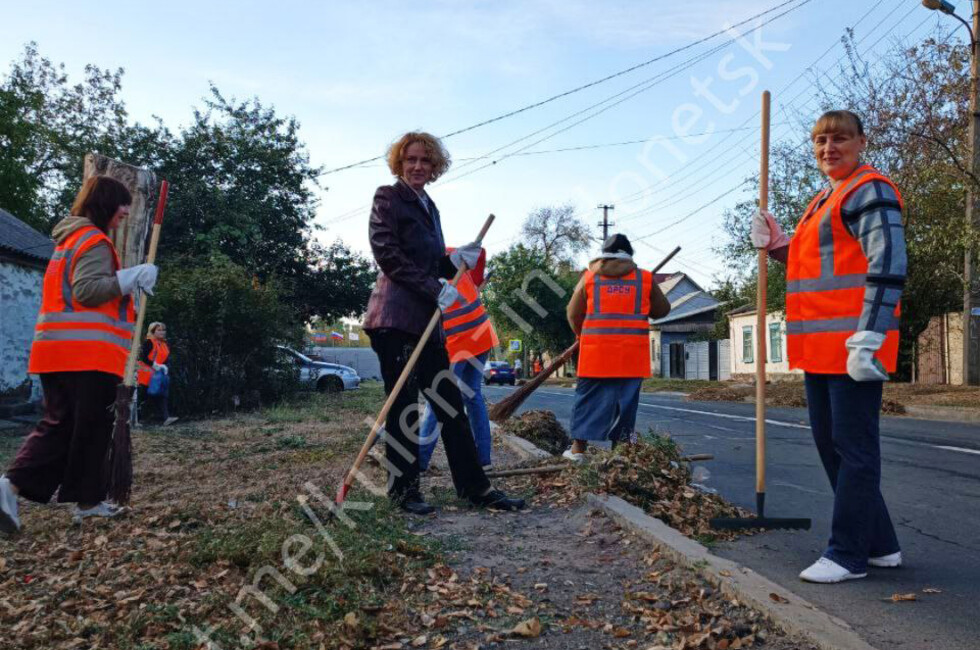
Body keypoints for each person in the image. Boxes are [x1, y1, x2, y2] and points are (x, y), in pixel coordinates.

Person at [751, 110, 904, 584]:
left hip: (855, 342)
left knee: (854, 449)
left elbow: (889, 262)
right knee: (831, 444)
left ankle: (847, 555)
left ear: (862, 141)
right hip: (821, 347)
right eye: (820, 141)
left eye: (839, 139)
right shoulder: (825, 199)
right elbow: (814, 264)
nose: (828, 148)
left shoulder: (869, 189)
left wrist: (871, 334)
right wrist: (778, 244)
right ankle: (879, 545)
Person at [362, 130, 524, 515]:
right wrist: (432, 288)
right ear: (399, 164)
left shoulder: (429, 207)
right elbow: (388, 254)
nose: (418, 166)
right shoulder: (388, 197)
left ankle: (474, 489)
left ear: (435, 167)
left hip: (428, 323)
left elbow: (431, 262)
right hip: (395, 319)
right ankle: (403, 493)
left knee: (450, 406)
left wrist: (454, 262)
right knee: (403, 406)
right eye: (410, 160)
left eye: (425, 161)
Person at [0, 176, 157, 534]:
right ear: (105, 203)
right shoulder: (94, 242)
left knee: (78, 429)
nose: (125, 214)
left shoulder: (69, 241)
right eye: (122, 206)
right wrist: (131, 278)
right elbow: (88, 291)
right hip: (84, 356)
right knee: (70, 429)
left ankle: (87, 500)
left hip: (58, 352)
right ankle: (9, 485)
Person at [564, 234, 671, 461]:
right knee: (626, 407)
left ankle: (577, 450)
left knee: (587, 402)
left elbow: (573, 313)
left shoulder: (589, 277)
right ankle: (622, 451)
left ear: (604, 254)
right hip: (631, 357)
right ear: (629, 255)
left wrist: (582, 335)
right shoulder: (644, 278)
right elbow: (662, 311)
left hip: (595, 356)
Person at [418, 248, 498, 471]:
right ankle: (483, 459)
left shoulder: (423, 266)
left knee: (439, 398)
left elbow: (479, 252)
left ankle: (421, 460)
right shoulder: (452, 254)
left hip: (460, 342)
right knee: (472, 395)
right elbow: (480, 253)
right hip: (481, 335)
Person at [137, 322, 178, 426]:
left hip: (157, 375)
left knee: (160, 395)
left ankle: (165, 418)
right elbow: (143, 357)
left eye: (163, 330)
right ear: (152, 331)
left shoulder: (163, 344)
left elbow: (165, 359)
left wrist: (164, 367)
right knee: (143, 397)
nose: (162, 332)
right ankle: (136, 419)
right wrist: (154, 365)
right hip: (145, 374)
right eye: (159, 330)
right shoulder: (149, 342)